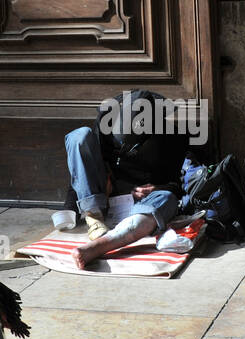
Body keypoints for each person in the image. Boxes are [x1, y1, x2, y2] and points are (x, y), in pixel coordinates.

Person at [64, 90, 188, 269]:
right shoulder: (105, 127)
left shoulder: (171, 139)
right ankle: (94, 217)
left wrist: (156, 188)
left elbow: (179, 186)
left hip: (138, 206)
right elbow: (82, 168)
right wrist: (70, 210)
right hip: (102, 198)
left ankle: (102, 245)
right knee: (79, 135)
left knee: (167, 198)